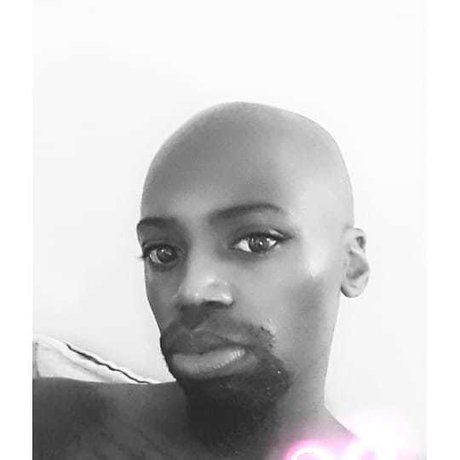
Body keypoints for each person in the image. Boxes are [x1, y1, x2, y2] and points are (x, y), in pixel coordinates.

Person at [34, 102, 372, 459]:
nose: (191, 290)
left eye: (256, 242)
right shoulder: (45, 425)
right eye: (163, 253)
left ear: (351, 265)